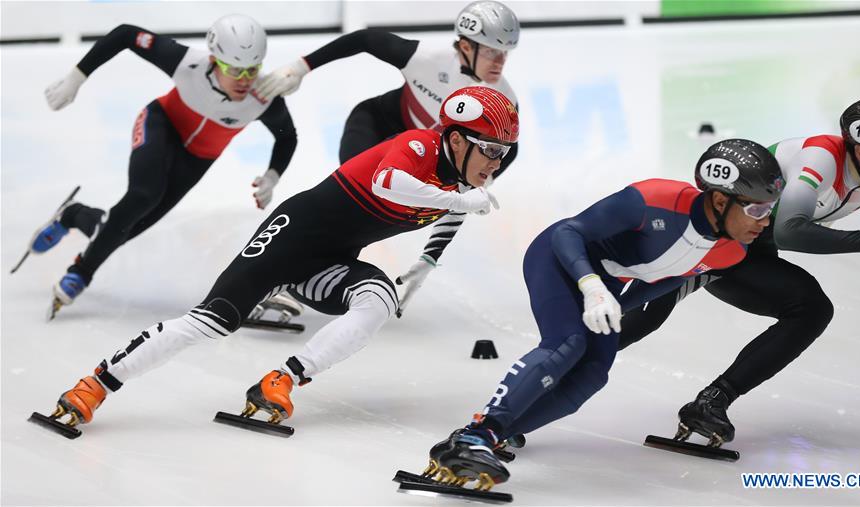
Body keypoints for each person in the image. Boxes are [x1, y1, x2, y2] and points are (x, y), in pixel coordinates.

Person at [37, 87, 519, 435]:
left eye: (504, 154)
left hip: (329, 261)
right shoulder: (416, 146)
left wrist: (427, 262)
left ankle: (279, 380)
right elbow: (387, 185)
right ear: (456, 139)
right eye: (491, 151)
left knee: (376, 302)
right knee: (212, 322)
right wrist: (460, 202)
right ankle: (95, 384)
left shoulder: (461, 184)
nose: (496, 164)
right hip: (290, 238)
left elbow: (451, 210)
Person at [423, 139, 785, 491]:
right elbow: (569, 232)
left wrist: (617, 304)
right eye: (756, 209)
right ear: (720, 200)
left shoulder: (731, 253)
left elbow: (666, 280)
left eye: (770, 209)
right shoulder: (654, 199)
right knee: (568, 343)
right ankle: (477, 433)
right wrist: (591, 286)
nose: (765, 221)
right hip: (560, 257)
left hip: (607, 282)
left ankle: (486, 438)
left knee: (592, 376)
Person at [616, 93, 860, 446]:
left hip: (745, 251)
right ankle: (540, 384)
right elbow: (789, 230)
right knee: (635, 320)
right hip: (703, 239)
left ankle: (711, 403)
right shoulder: (821, 158)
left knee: (811, 310)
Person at [254, 0, 520, 317]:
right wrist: (300, 67)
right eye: (492, 51)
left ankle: (295, 276)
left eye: (506, 52)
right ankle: (266, 275)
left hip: (419, 159)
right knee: (344, 207)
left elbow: (462, 194)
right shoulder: (426, 58)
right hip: (375, 128)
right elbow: (365, 40)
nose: (500, 61)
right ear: (465, 46)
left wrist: (429, 258)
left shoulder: (505, 109)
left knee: (367, 221)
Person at [31, 15, 298, 318]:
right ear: (214, 59)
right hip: (161, 125)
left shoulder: (264, 96)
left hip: (197, 158)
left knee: (124, 229)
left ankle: (73, 215)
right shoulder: (187, 63)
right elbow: (125, 34)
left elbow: (287, 137)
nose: (244, 79)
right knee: (144, 195)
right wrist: (76, 78)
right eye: (234, 69)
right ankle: (79, 274)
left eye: (253, 69)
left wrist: (272, 176)